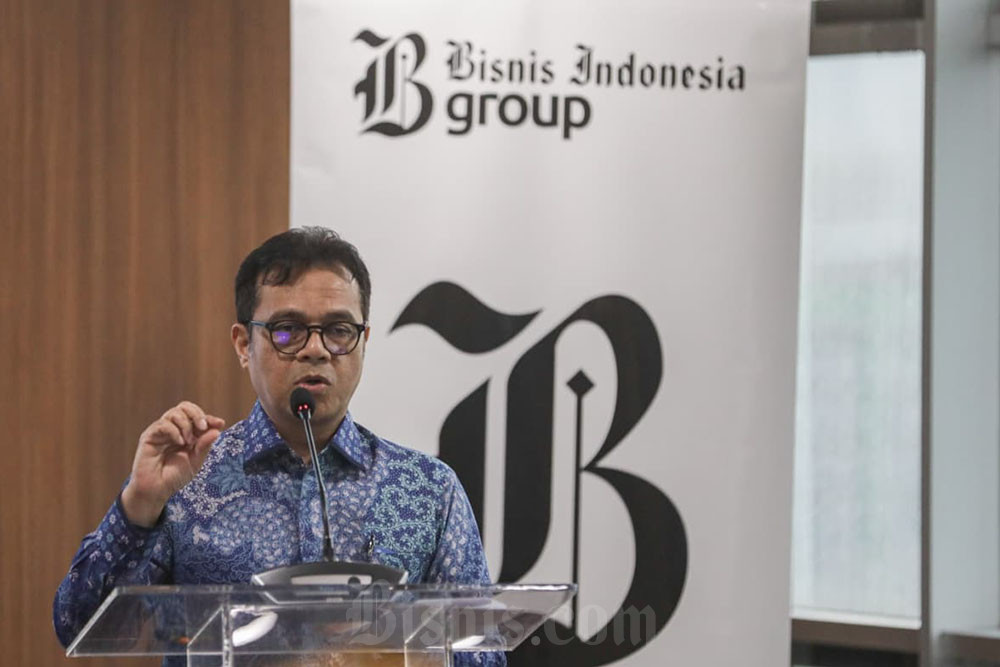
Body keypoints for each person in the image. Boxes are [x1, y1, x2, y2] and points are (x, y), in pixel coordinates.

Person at [54, 227, 503, 666]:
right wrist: (139, 505)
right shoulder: (187, 482)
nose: (316, 350)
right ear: (243, 344)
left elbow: (481, 650)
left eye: (338, 330)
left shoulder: (427, 489)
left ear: (363, 342)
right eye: (288, 330)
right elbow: (77, 625)